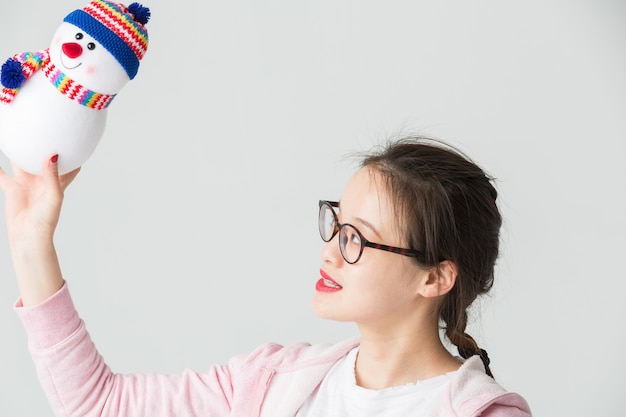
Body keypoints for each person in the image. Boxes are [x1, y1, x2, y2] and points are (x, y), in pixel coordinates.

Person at [0, 136, 532, 416]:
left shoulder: (479, 413)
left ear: (435, 278)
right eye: (336, 224)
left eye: (357, 238)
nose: (329, 250)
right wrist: (30, 244)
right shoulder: (273, 382)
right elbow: (100, 406)